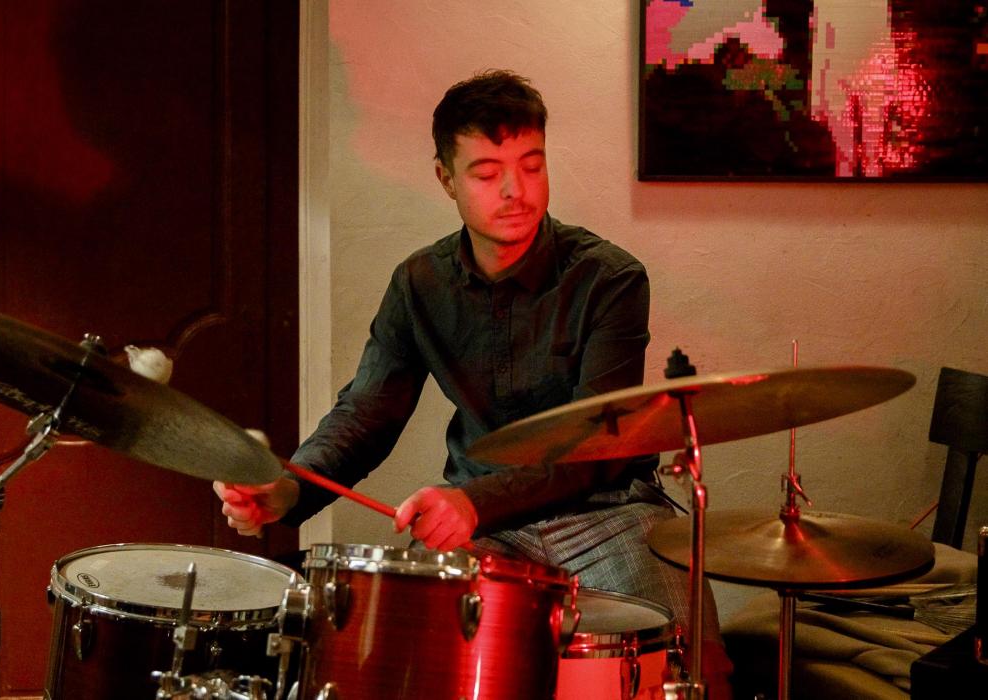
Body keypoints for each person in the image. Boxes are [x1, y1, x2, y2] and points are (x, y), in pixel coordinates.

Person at [214, 69, 732, 694]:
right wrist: (289, 489)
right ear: (446, 179)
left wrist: (472, 502)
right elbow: (366, 414)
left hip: (609, 516)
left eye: (532, 166)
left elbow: (595, 449)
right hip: (483, 526)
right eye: (487, 174)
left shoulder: (610, 278)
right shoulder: (419, 284)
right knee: (412, 661)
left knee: (687, 667)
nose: (515, 190)